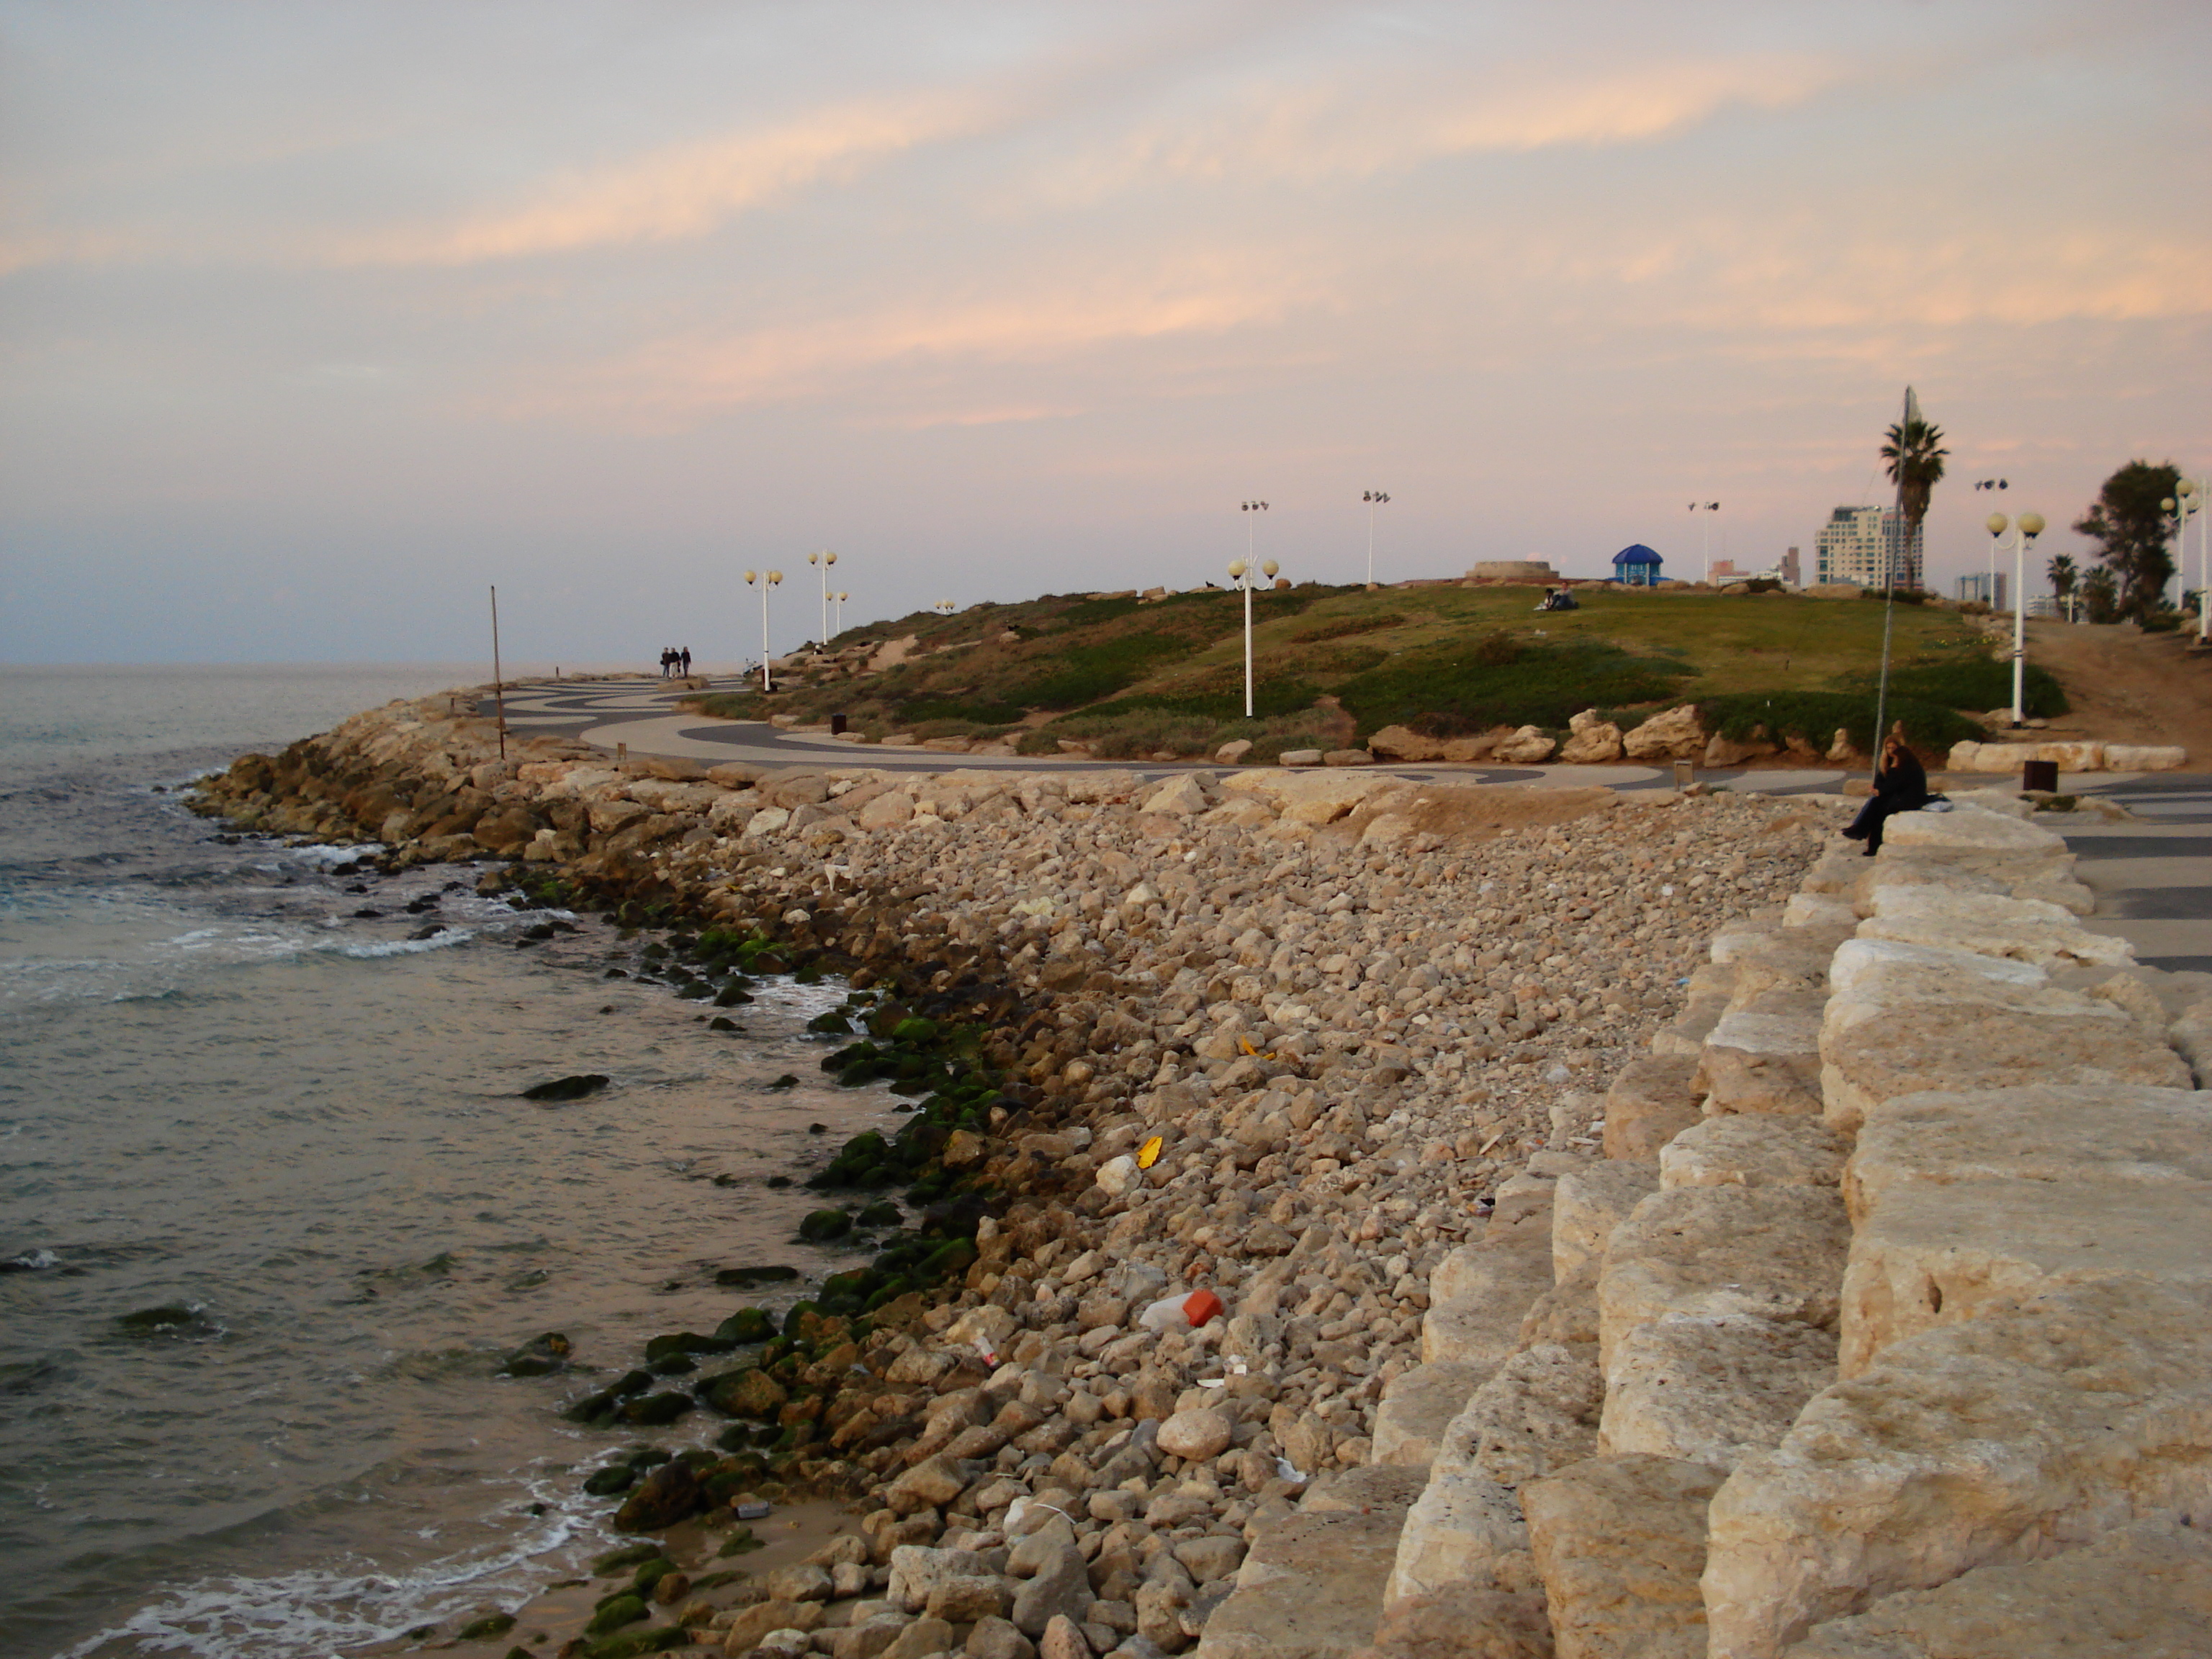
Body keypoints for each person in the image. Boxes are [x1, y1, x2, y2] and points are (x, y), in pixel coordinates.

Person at [1843, 722, 1933, 856]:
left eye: (1893, 748)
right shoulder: (1896, 761)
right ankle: (1862, 832)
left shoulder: (1906, 765)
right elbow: (1883, 781)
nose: (1891, 752)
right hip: (1899, 796)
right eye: (1888, 748)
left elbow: (1895, 784)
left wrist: (1890, 773)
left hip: (1908, 799)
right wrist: (1878, 789)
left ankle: (1863, 833)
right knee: (1875, 803)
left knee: (1879, 810)